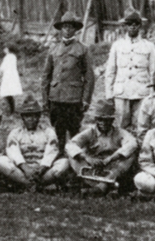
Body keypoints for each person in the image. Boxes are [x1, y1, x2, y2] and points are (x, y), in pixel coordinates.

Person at [41, 11, 95, 154]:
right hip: (56, 97)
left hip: (73, 98)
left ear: (75, 29)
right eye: (65, 26)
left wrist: (86, 100)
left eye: (71, 27)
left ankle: (74, 158)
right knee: (58, 129)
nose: (67, 29)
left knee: (74, 131)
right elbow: (46, 76)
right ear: (61, 29)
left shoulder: (83, 49)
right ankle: (59, 155)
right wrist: (45, 99)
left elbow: (89, 76)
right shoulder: (53, 49)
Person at [0, 94, 69, 189]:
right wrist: (25, 168)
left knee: (64, 162)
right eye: (27, 116)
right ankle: (29, 184)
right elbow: (13, 152)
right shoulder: (15, 133)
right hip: (21, 171)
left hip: (43, 171)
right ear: (23, 118)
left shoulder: (48, 132)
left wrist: (42, 168)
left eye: (34, 116)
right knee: (1, 161)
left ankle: (33, 184)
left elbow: (52, 151)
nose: (31, 120)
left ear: (38, 117)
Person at [66, 99, 138, 197]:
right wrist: (86, 157)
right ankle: (102, 186)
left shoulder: (119, 132)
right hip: (92, 167)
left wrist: (112, 157)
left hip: (112, 168)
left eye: (107, 120)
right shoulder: (90, 132)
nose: (103, 123)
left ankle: (101, 187)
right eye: (100, 119)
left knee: (131, 155)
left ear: (112, 120)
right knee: (72, 155)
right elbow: (71, 144)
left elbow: (132, 143)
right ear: (96, 119)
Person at [105, 8, 155, 130]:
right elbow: (110, 72)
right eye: (129, 24)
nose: (132, 27)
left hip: (142, 93)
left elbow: (153, 72)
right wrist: (109, 94)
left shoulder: (149, 47)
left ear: (140, 26)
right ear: (125, 26)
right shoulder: (117, 45)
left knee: (141, 125)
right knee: (120, 126)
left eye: (136, 24)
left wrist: (152, 94)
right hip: (121, 93)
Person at [0, 42, 23, 114]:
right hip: (12, 76)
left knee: (7, 93)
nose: (4, 50)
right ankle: (11, 109)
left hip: (8, 77)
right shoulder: (13, 56)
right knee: (9, 94)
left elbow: (2, 68)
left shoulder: (8, 57)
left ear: (8, 49)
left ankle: (11, 110)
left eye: (5, 48)